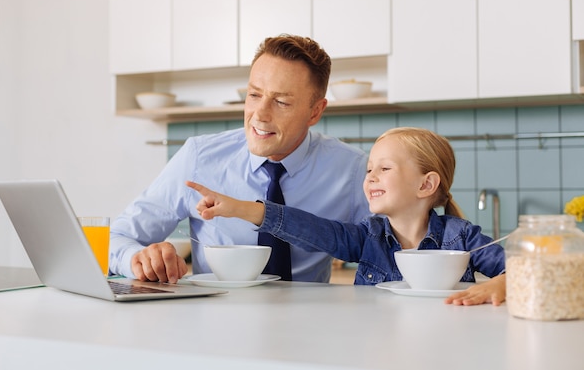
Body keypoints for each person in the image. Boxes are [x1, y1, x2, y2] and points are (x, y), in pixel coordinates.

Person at [109, 34, 371, 283]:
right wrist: (137, 259)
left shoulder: (352, 170)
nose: (260, 114)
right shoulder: (199, 158)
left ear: (315, 112)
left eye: (281, 101)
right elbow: (118, 237)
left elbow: (386, 248)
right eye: (254, 95)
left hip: (310, 322)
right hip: (216, 321)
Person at [187, 127, 507, 306]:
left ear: (426, 184)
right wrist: (236, 207)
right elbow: (309, 229)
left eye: (384, 169)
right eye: (369, 169)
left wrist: (503, 285)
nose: (370, 177)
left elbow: (524, 269)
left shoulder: (462, 238)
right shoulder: (366, 237)